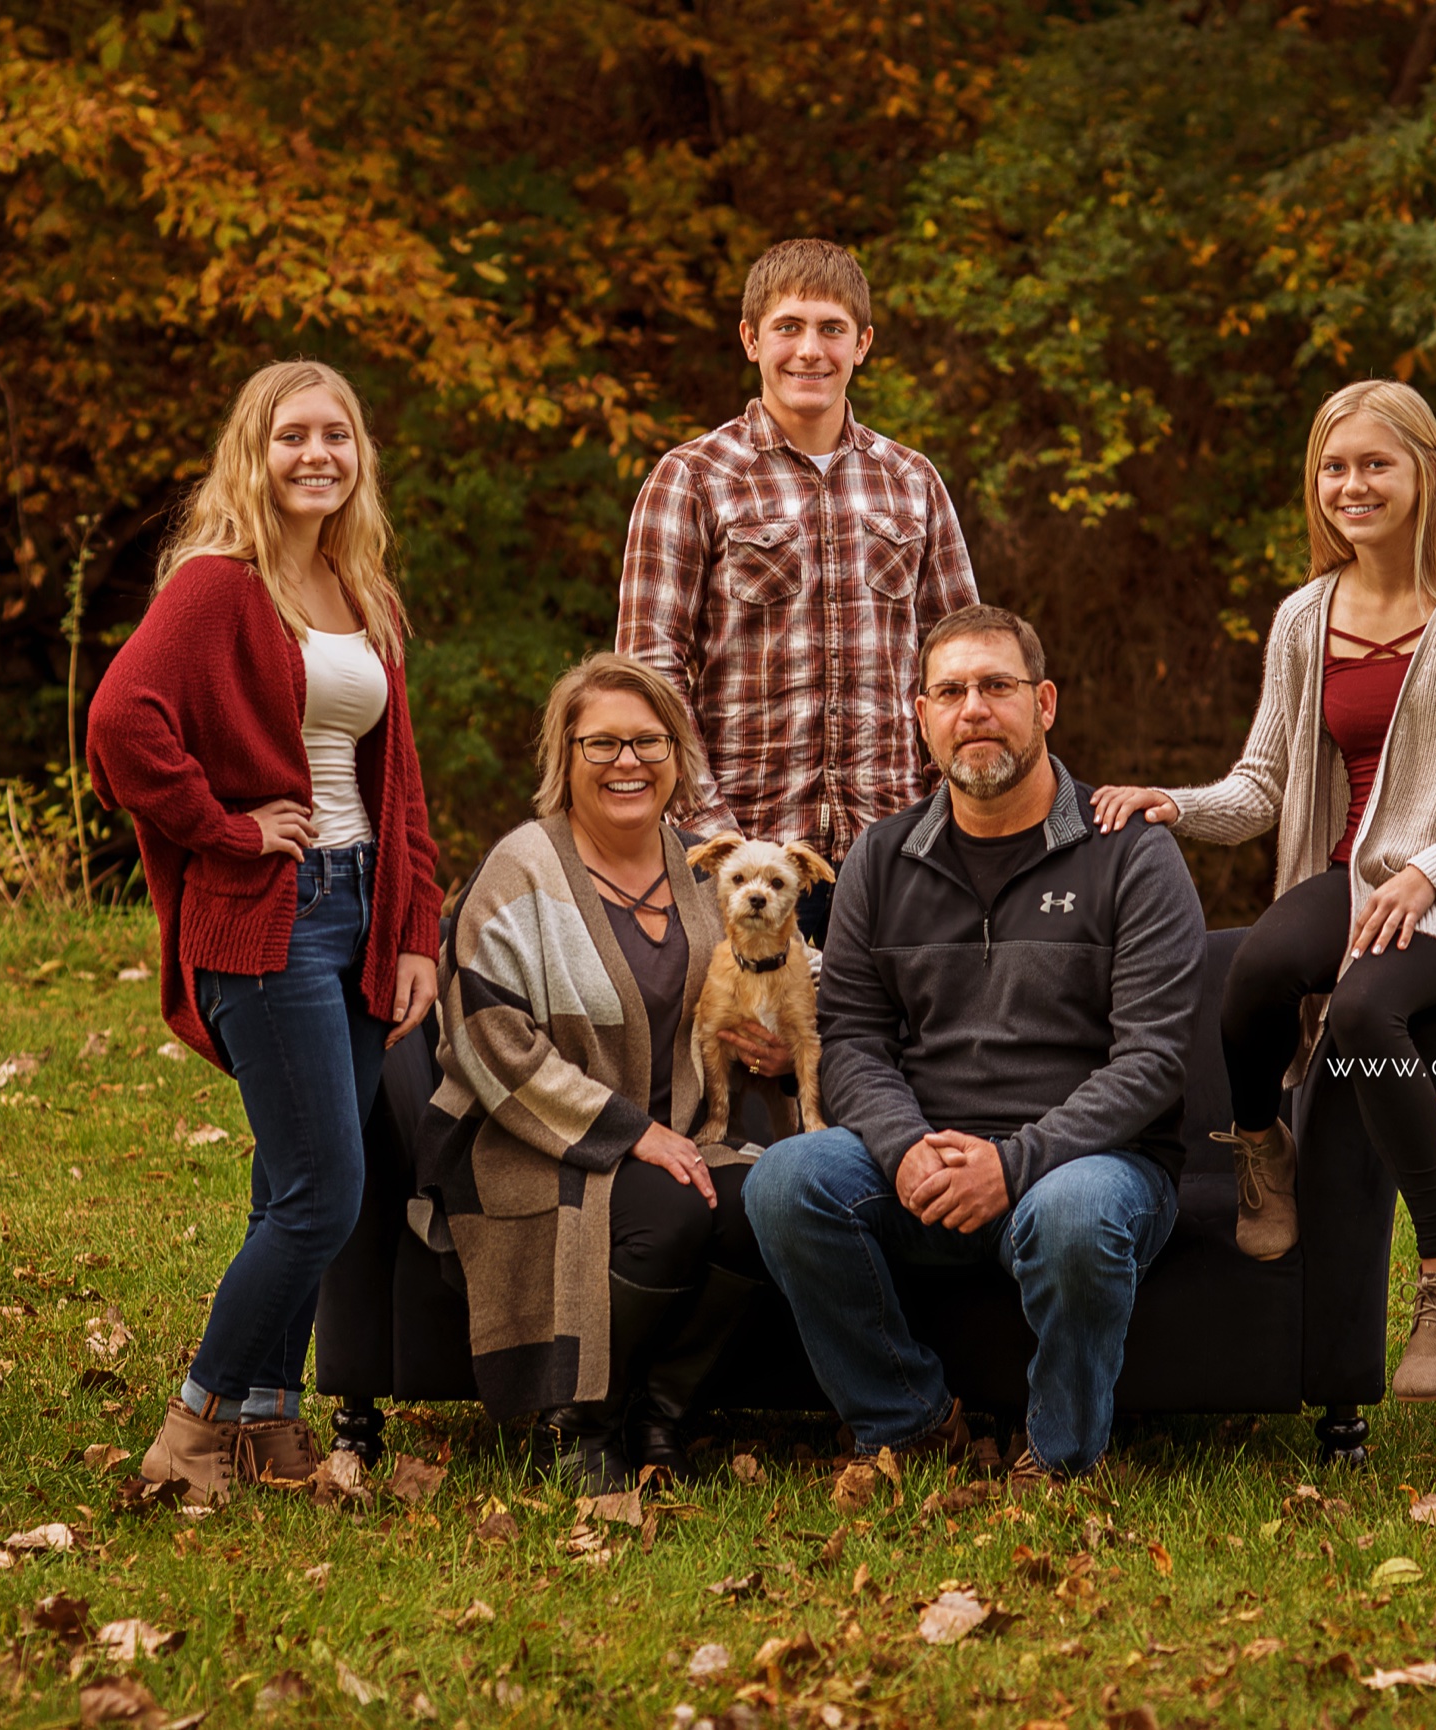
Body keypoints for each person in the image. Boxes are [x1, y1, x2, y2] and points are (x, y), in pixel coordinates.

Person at [1092, 380, 1436, 1404]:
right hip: (1345, 874)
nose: (1352, 484)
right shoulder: (1308, 615)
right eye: (1334, 467)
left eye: (1375, 464)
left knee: (1358, 1009)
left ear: (1424, 472)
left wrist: (1431, 870)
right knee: (1259, 967)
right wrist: (1169, 802)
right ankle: (1263, 1143)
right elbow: (1262, 788)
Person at [87, 359, 444, 1498]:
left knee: (292, 1184)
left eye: (335, 435)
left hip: (359, 911)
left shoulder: (361, 588)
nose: (316, 455)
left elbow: (404, 789)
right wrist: (229, 833)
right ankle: (192, 1426)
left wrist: (418, 930)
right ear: (256, 450)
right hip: (268, 919)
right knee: (322, 1194)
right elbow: (120, 726)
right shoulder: (216, 587)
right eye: (292, 435)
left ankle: (270, 1420)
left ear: (358, 456)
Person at [747, 604, 1205, 1481]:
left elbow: (1154, 1059)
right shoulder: (881, 857)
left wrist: (1016, 1161)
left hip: (1093, 1165)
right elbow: (851, 1039)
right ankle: (908, 1427)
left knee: (1074, 1212)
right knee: (787, 1180)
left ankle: (1063, 1457)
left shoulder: (1130, 855)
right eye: (950, 691)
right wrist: (904, 1145)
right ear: (920, 716)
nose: (974, 709)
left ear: (1045, 703)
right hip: (920, 1158)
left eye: (996, 687)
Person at [409, 654, 789, 1490]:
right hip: (527, 1136)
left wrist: (783, 1045)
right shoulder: (521, 871)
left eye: (649, 742)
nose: (628, 763)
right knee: (675, 1215)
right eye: (603, 744)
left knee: (768, 1206)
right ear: (565, 756)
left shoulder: (702, 870)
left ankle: (661, 1418)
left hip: (679, 1133)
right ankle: (579, 1425)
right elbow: (487, 1037)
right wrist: (630, 1132)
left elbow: (778, 971)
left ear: (678, 757)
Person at [615, 238, 978, 941]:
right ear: (751, 339)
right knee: (757, 1051)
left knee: (894, 1051)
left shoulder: (911, 480)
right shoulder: (692, 477)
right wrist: (715, 841)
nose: (809, 350)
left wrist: (944, 821)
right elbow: (647, 680)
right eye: (788, 327)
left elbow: (961, 664)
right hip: (748, 862)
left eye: (831, 329)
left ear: (862, 344)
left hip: (897, 857)